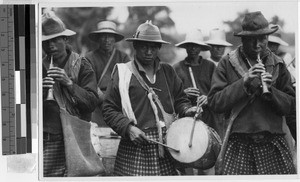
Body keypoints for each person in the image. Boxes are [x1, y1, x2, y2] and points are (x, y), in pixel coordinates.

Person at [103, 20, 197, 176]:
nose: (148, 51)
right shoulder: (123, 73)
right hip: (135, 147)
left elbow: (180, 99)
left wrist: (188, 110)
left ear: (158, 48)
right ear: (135, 46)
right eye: (144, 46)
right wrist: (128, 128)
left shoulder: (168, 71)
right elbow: (108, 109)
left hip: (167, 145)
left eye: (153, 47)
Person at [208, 11, 296, 174]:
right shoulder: (227, 63)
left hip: (273, 145)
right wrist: (244, 83)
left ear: (268, 38)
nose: (257, 46)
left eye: (262, 39)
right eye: (251, 40)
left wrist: (271, 91)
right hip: (238, 147)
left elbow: (291, 107)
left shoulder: (278, 64)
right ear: (242, 39)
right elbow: (214, 103)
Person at [42, 11, 98, 177]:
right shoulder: (37, 66)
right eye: (46, 42)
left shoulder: (82, 64)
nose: (50, 45)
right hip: (49, 138)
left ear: (65, 39)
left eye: (55, 40)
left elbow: (92, 102)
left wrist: (69, 83)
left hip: (77, 136)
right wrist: (40, 92)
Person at [173, 30, 217, 175]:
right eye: (189, 46)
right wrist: (184, 93)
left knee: (206, 157)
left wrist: (208, 98)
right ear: (185, 47)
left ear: (201, 49)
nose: (192, 49)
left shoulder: (210, 66)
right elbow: (170, 94)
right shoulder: (177, 68)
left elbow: (218, 92)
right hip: (186, 119)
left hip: (207, 118)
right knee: (187, 157)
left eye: (196, 46)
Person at [85, 20, 130, 126]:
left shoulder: (123, 57)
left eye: (110, 36)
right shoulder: (89, 57)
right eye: (103, 36)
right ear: (98, 39)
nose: (106, 40)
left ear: (114, 39)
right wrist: (103, 98)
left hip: (118, 102)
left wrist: (115, 98)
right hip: (97, 102)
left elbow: (129, 80)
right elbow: (89, 82)